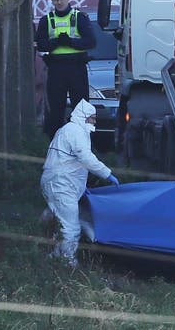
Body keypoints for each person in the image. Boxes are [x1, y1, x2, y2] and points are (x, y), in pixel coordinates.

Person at [40, 99, 120, 268]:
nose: (94, 122)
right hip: (61, 185)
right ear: (83, 117)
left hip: (58, 184)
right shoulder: (75, 131)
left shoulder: (69, 131)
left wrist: (80, 188)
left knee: (60, 223)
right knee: (71, 228)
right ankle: (67, 263)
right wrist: (108, 174)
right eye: (92, 118)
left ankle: (53, 259)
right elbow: (86, 158)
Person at [35, 0, 96, 139]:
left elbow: (91, 42)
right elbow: (40, 44)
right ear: (52, 0)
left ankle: (83, 143)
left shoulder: (79, 18)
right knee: (55, 110)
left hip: (76, 68)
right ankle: (55, 145)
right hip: (56, 69)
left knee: (81, 108)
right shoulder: (46, 20)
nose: (59, 2)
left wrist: (69, 42)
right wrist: (56, 42)